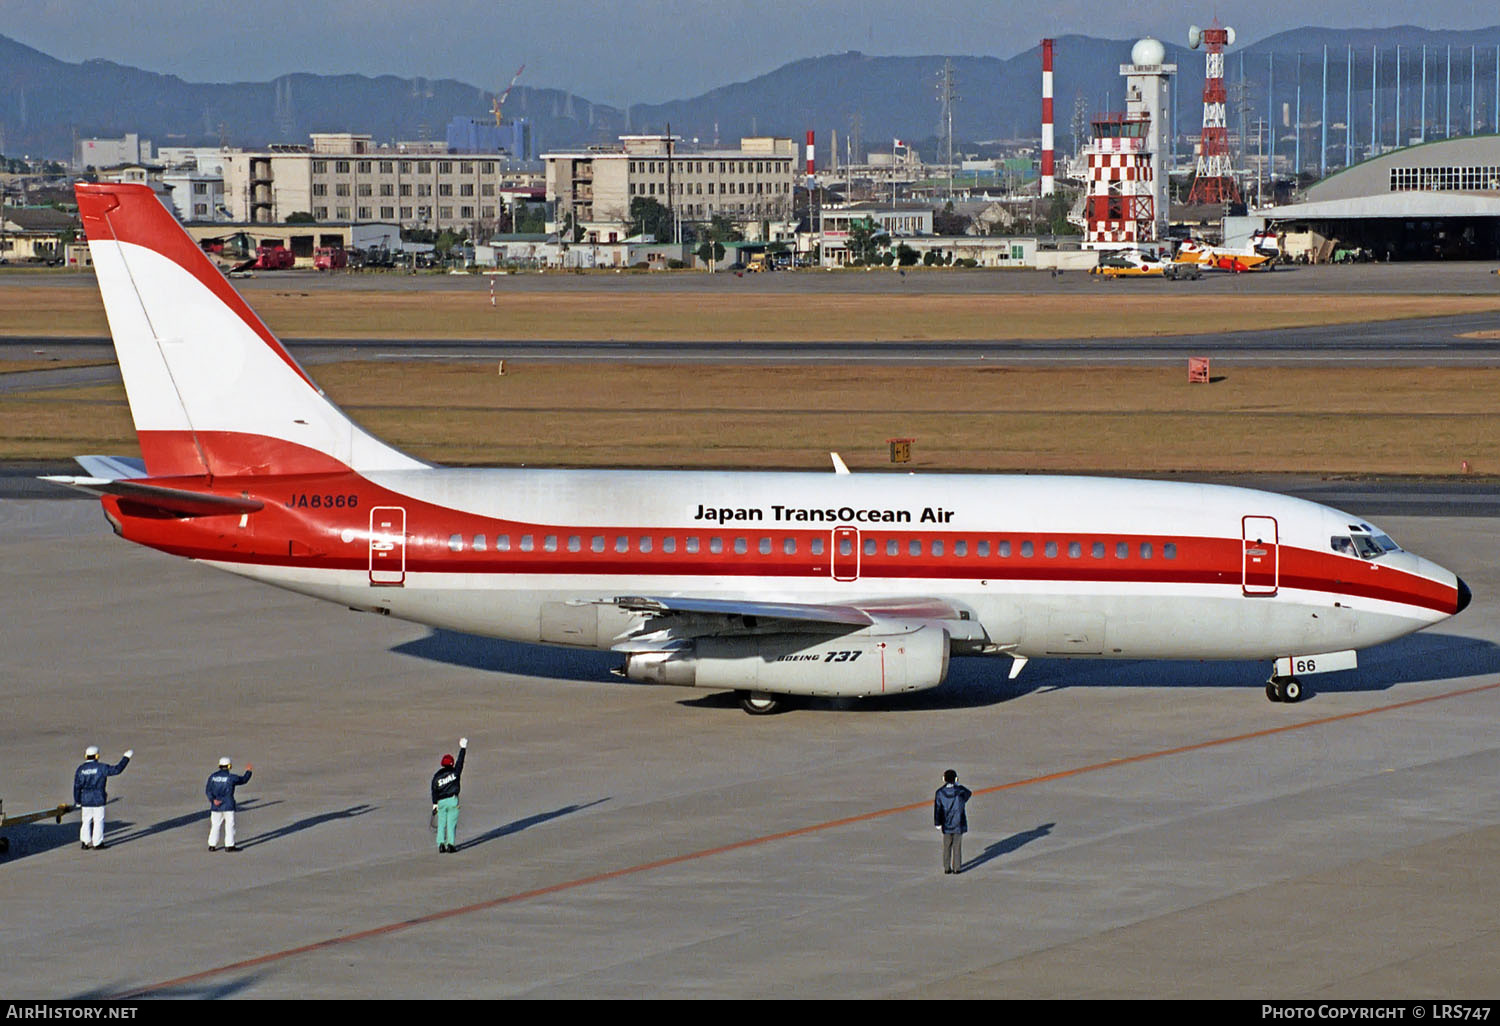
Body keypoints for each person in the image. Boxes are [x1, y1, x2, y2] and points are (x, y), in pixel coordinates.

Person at [73, 745, 132, 850]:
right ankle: (97, 843)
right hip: (98, 798)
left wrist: (77, 800)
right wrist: (126, 758)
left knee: (86, 820)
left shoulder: (80, 769)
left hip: (85, 799)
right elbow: (117, 770)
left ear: (86, 756)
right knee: (98, 821)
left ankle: (85, 842)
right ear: (97, 756)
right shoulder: (101, 767)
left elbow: (77, 786)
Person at [206, 757, 254, 852]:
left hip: (216, 806)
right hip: (228, 805)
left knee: (215, 825)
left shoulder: (212, 777)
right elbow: (243, 780)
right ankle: (229, 845)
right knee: (229, 826)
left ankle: (212, 845)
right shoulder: (231, 777)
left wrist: (213, 800)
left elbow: (208, 790)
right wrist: (248, 771)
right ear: (229, 766)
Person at [430, 738, 467, 853]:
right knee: (451, 824)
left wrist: (434, 803)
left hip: (441, 802)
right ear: (451, 763)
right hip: (452, 800)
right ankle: (450, 844)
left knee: (441, 823)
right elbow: (460, 762)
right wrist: (463, 748)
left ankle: (440, 844)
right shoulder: (455, 772)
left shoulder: (437, 776)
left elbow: (434, 789)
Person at [933, 768, 972, 875]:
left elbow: (938, 809)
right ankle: (957, 868)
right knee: (957, 846)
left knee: (946, 846)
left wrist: (937, 822)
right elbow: (968, 793)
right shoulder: (960, 791)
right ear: (955, 779)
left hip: (946, 823)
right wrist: (958, 785)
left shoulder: (940, 793)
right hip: (958, 822)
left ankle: (946, 867)